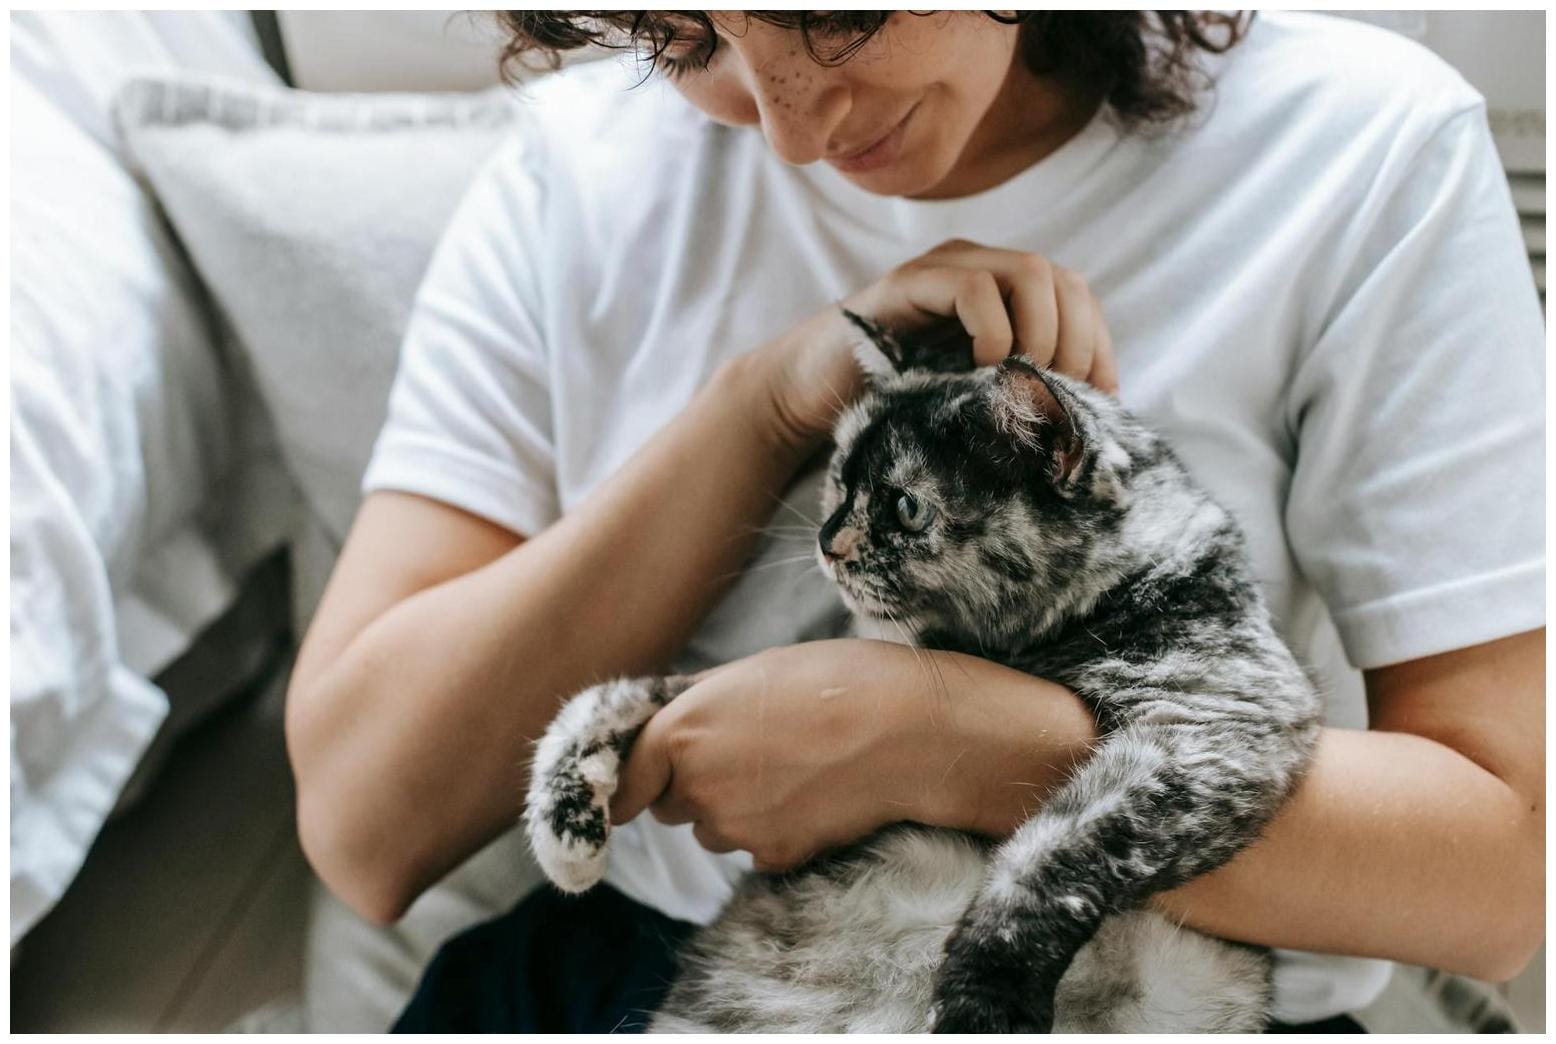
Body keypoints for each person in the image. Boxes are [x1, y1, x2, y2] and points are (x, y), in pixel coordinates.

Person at [284, 10, 1544, 1033]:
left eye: (835, 12)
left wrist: (934, 745)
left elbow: (1506, 880)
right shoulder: (573, 165)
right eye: (681, 38)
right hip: (661, 969)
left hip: (1119, 992)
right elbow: (362, 829)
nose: (790, 133)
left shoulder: (1357, 149)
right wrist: (766, 408)